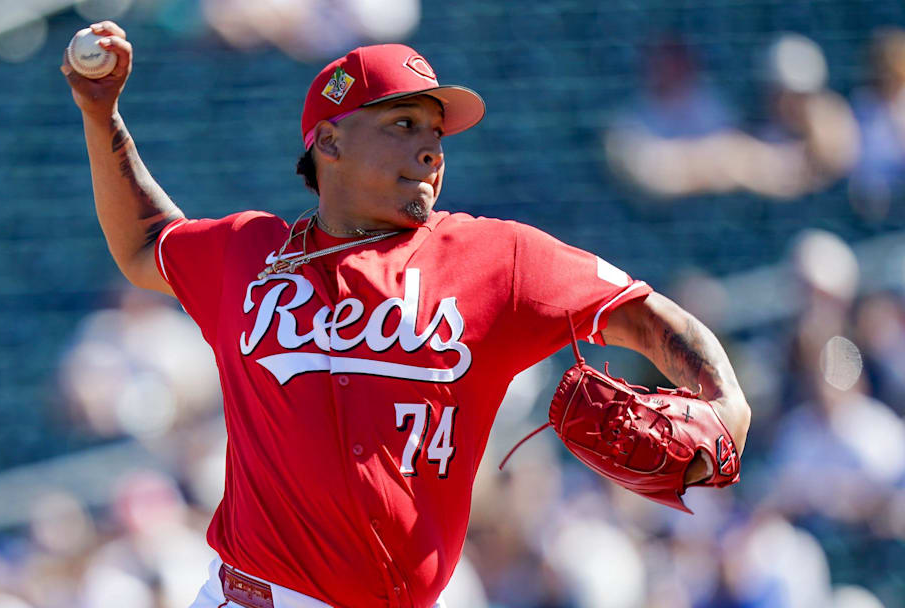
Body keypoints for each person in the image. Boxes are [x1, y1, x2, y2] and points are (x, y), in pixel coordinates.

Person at [61, 21, 751, 608]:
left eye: (436, 131)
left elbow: (649, 316)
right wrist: (102, 115)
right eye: (402, 123)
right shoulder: (249, 253)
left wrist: (727, 404)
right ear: (327, 144)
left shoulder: (497, 259)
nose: (430, 147)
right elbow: (147, 242)